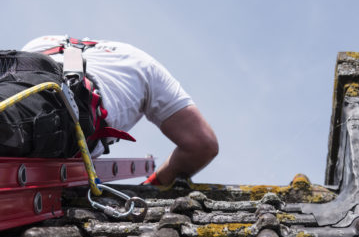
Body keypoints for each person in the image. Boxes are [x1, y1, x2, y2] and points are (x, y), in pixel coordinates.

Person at [21, 36, 219, 186]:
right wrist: (153, 185)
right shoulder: (142, 63)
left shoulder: (40, 42)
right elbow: (202, 145)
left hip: (20, 98)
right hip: (62, 122)